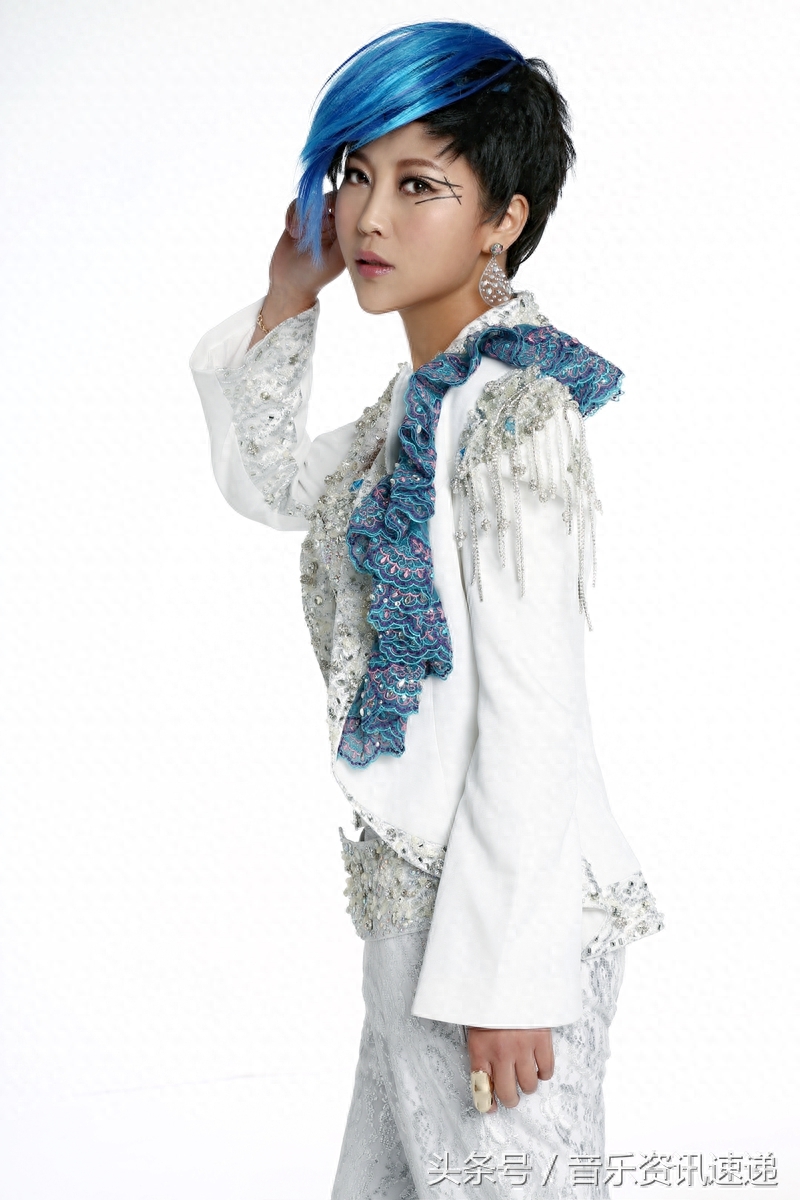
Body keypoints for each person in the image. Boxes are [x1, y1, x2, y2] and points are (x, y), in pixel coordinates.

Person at [189, 21, 664, 1199]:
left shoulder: (509, 410)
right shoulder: (416, 406)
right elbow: (270, 485)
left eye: (419, 185)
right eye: (353, 175)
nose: (368, 217)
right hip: (414, 921)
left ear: (501, 218)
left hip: (494, 941)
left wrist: (508, 982)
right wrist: (285, 294)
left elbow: (533, 711)